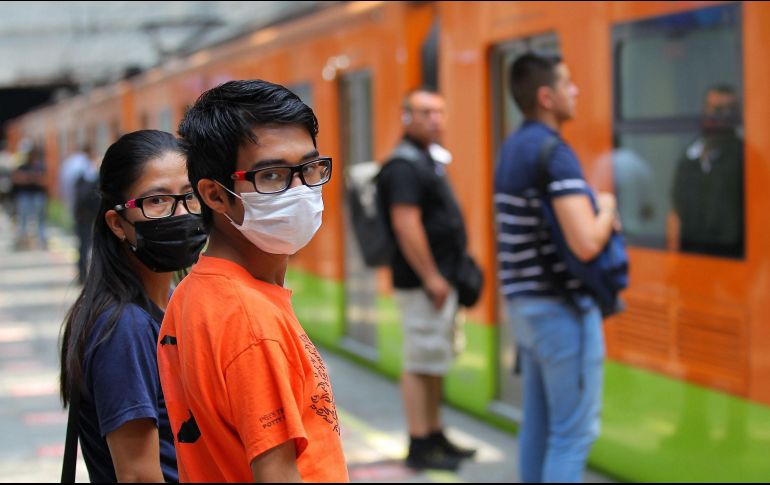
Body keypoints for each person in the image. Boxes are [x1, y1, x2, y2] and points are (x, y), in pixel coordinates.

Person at [156, 79, 349, 482]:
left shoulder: (192, 292)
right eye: (273, 177)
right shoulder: (251, 322)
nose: (301, 191)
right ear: (214, 194)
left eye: (310, 168)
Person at [493, 52, 619, 482]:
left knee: (540, 425)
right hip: (560, 310)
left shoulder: (513, 147)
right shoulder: (554, 153)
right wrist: (605, 209)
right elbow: (585, 243)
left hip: (525, 307)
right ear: (547, 96)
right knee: (573, 434)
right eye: (569, 84)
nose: (576, 91)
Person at [59, 130, 208, 482]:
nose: (181, 213)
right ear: (117, 224)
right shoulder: (124, 327)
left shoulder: (168, 302)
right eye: (156, 201)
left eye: (189, 196)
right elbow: (138, 476)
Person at [376, 87, 476, 471]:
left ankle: (434, 433)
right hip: (423, 285)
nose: (434, 119)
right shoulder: (404, 166)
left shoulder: (425, 159)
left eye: (439, 112)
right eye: (425, 112)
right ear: (406, 117)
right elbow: (406, 224)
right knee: (420, 362)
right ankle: (419, 443)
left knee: (434, 359)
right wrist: (432, 276)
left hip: (437, 283)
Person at [668, 85, 744, 258]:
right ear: (705, 111)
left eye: (730, 111)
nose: (723, 117)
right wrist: (672, 259)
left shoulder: (745, 158)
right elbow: (675, 212)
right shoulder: (689, 157)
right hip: (691, 258)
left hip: (732, 261)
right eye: (717, 110)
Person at [11, 142, 48, 250]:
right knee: (23, 219)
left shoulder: (40, 166)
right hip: (25, 196)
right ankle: (23, 241)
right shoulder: (22, 166)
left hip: (37, 195)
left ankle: (42, 240)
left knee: (40, 219)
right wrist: (29, 178)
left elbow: (45, 180)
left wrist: (32, 178)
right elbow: (16, 178)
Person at [73, 155, 100, 284]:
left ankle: (83, 275)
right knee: (92, 247)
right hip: (92, 216)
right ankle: (90, 276)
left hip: (82, 216)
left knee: (84, 246)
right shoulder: (97, 179)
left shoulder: (81, 179)